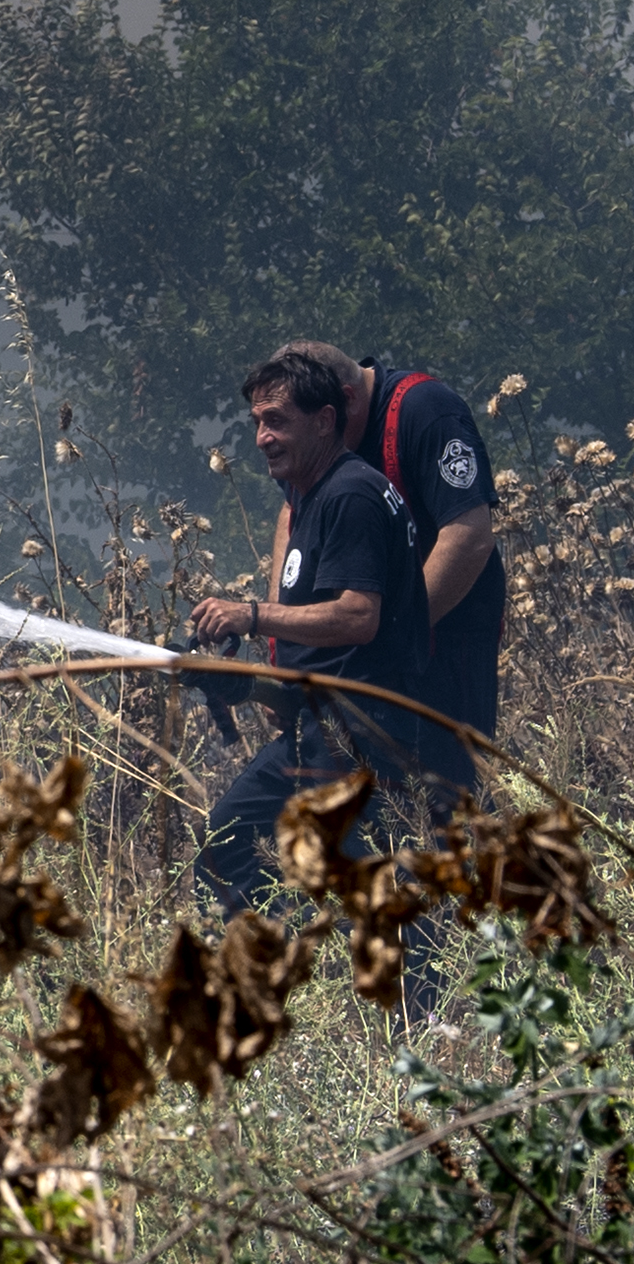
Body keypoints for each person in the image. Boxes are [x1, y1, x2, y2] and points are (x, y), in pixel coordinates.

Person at [188, 345, 434, 912]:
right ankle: (277, 974)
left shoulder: (351, 495)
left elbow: (358, 616)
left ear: (325, 420)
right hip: (320, 728)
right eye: (256, 423)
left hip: (361, 737)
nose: (262, 438)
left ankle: (375, 995)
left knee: (352, 895)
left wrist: (251, 615)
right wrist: (262, 680)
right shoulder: (315, 494)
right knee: (231, 843)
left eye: (276, 421)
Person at [261, 339, 502, 795]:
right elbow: (292, 516)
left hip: (445, 641)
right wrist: (285, 650)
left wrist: (390, 636)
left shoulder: (425, 409)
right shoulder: (312, 443)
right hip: (357, 652)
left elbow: (470, 535)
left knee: (445, 796)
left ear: (343, 403)